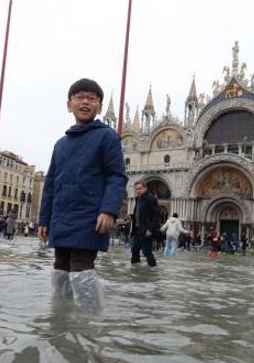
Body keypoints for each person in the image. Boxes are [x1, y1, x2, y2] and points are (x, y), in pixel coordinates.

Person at [38, 78, 128, 308]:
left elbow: (116, 176)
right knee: (60, 267)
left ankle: (88, 325)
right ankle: (60, 317)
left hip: (89, 216)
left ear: (99, 106)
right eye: (80, 97)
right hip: (61, 216)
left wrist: (109, 210)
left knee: (81, 267)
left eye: (92, 98)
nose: (86, 101)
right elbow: (50, 184)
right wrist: (44, 220)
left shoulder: (107, 137)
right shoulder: (60, 144)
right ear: (69, 105)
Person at [131, 180, 161, 266]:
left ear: (145, 188)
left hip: (146, 230)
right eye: (136, 189)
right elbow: (139, 213)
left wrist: (150, 230)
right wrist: (131, 216)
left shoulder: (151, 198)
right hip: (137, 229)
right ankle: (135, 272)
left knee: (147, 252)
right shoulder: (138, 199)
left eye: (140, 188)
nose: (138, 191)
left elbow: (156, 215)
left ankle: (152, 271)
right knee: (134, 250)